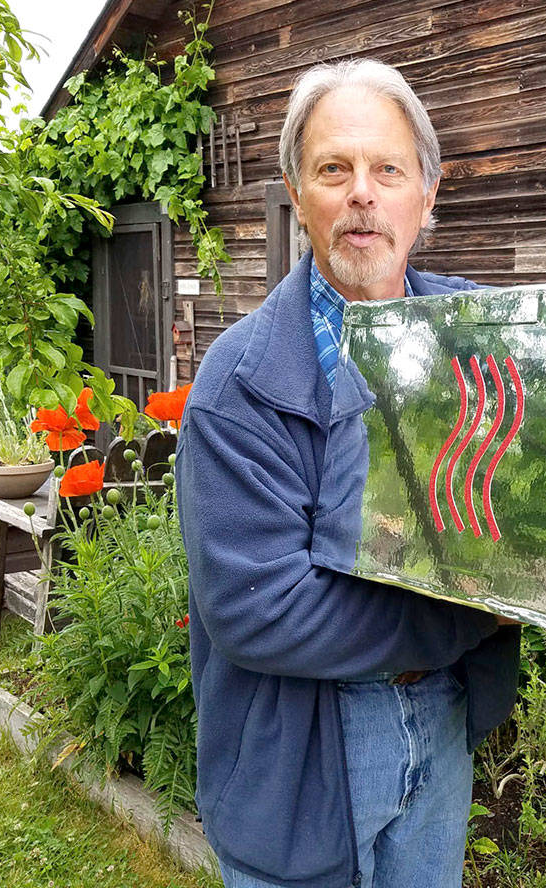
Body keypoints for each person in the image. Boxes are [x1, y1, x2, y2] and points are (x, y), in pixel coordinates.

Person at [176, 58, 521, 888]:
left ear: (426, 195)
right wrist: (475, 618)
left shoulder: (485, 340)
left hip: (438, 720)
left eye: (387, 169)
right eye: (335, 169)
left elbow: (530, 507)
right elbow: (262, 612)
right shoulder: (240, 383)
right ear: (299, 194)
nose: (362, 192)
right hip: (303, 747)